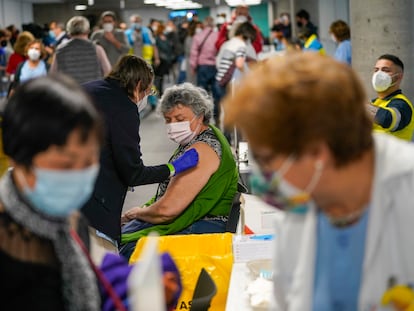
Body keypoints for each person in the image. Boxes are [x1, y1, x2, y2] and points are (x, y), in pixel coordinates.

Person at [223, 51, 414, 311]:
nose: (263, 175)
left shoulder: (405, 189)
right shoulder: (302, 205)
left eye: (267, 159)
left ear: (316, 150)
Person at [0, 74, 103, 310]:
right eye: (65, 165)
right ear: (19, 158)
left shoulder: (68, 222)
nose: (78, 175)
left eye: (89, 162)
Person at [81, 55, 199, 253]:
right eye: (148, 90)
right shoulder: (123, 108)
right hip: (93, 209)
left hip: (60, 200)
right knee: (104, 274)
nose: (147, 96)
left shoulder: (87, 89)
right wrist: (171, 168)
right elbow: (133, 172)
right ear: (137, 85)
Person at [120, 83, 239, 260]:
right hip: (197, 222)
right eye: (168, 120)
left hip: (203, 226)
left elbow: (167, 210)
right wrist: (145, 209)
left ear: (200, 116)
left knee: (128, 247)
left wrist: (137, 213)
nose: (173, 125)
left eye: (180, 118)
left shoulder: (201, 149)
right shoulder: (200, 139)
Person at [50, 15, 111, 84]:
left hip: (70, 92)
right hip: (93, 92)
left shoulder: (60, 50)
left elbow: (53, 76)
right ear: (88, 31)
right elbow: (108, 73)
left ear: (69, 32)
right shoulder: (97, 49)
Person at [367, 54, 414, 141]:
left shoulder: (403, 105)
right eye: (376, 70)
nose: (379, 74)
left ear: (398, 77)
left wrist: (359, 105)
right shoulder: (374, 102)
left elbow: (388, 119)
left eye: (385, 70)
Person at [190, 16, 220, 124]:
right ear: (213, 25)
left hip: (202, 67)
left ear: (204, 25)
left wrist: (193, 67)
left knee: (202, 94)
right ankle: (217, 117)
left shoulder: (198, 36)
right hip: (215, 67)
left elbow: (194, 53)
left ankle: (204, 118)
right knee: (217, 94)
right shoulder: (218, 36)